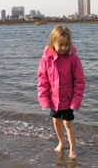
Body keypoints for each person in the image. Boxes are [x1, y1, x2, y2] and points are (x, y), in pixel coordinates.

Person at [37, 26, 85, 159]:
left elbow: (79, 81)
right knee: (56, 122)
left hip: (68, 99)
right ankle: (61, 142)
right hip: (54, 99)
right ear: (52, 43)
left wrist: (75, 101)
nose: (64, 48)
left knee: (68, 123)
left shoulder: (73, 59)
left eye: (66, 44)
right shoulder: (46, 59)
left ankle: (73, 148)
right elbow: (42, 79)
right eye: (61, 45)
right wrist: (44, 98)